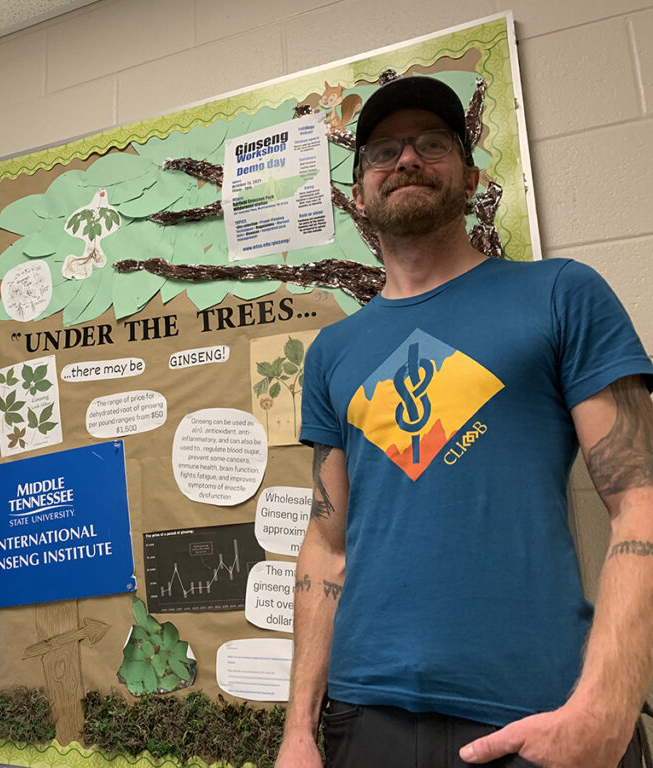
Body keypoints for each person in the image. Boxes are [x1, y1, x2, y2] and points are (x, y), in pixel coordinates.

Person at [276, 76, 653, 768]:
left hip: (541, 710)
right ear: (358, 193)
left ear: (471, 175)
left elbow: (641, 501)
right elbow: (326, 547)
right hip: (366, 719)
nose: (407, 160)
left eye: (432, 144)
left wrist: (609, 701)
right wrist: (298, 731)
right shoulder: (334, 352)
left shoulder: (560, 295)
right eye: (382, 151)